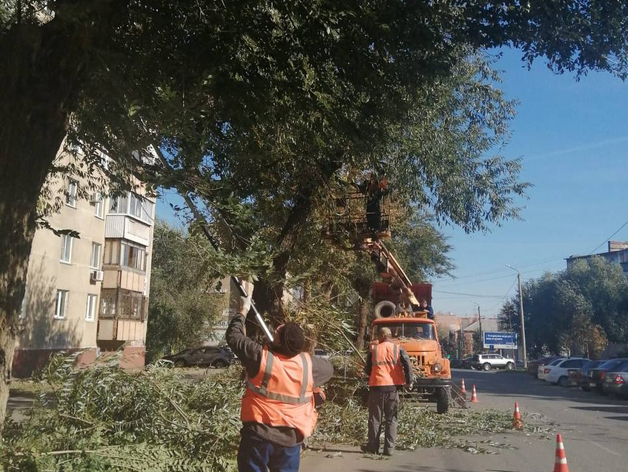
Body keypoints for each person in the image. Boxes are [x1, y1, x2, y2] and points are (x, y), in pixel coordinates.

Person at [226, 282, 334, 472]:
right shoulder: (310, 366)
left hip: (258, 435)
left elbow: (233, 337)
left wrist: (243, 309)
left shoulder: (260, 358)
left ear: (277, 340)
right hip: (289, 441)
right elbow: (330, 369)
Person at [362, 327, 413, 456]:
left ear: (381, 336)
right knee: (391, 419)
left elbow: (367, 369)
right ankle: (389, 449)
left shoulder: (374, 350)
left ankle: (373, 447)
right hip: (392, 389)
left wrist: (373, 375)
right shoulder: (398, 348)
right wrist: (409, 381)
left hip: (377, 388)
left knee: (375, 419)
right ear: (390, 336)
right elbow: (407, 364)